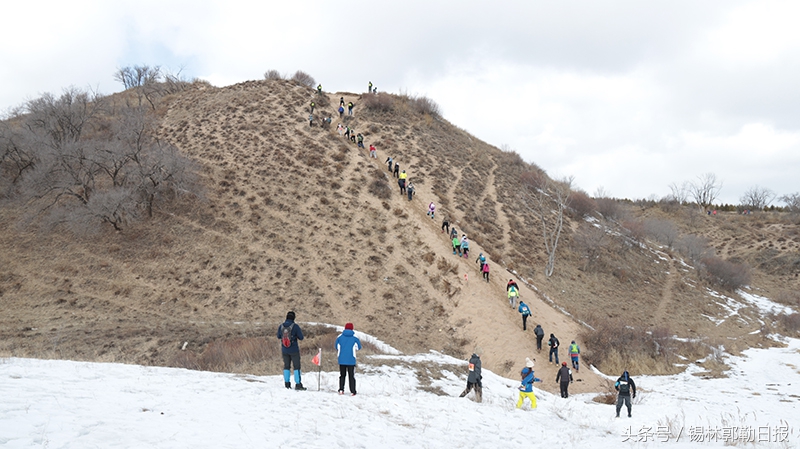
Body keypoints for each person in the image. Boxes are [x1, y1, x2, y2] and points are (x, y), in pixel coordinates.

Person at [277, 311, 306, 390]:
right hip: (294, 349)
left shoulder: (281, 326)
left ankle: (287, 383)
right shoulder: (295, 326)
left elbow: (278, 336)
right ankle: (298, 384)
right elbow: (301, 337)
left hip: (284, 349)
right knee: (296, 367)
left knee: (286, 366)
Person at [336, 322, 362, 396]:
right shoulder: (355, 338)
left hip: (341, 360)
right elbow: (359, 347)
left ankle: (341, 389)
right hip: (351, 360)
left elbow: (336, 347)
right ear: (352, 329)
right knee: (351, 376)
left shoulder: (339, 338)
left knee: (342, 375)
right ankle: (353, 391)